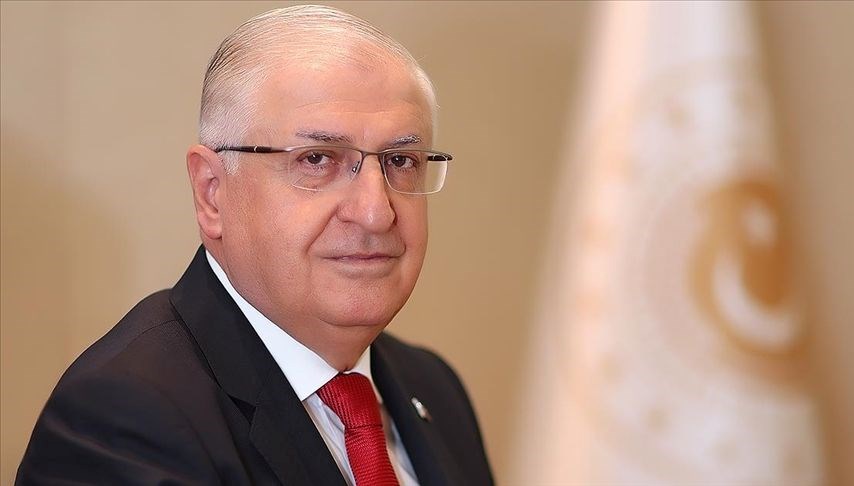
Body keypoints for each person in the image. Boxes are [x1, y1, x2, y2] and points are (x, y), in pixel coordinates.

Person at [16, 5, 493, 485]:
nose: (376, 212)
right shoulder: (124, 416)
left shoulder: (433, 387)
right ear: (212, 193)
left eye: (401, 160)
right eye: (317, 159)